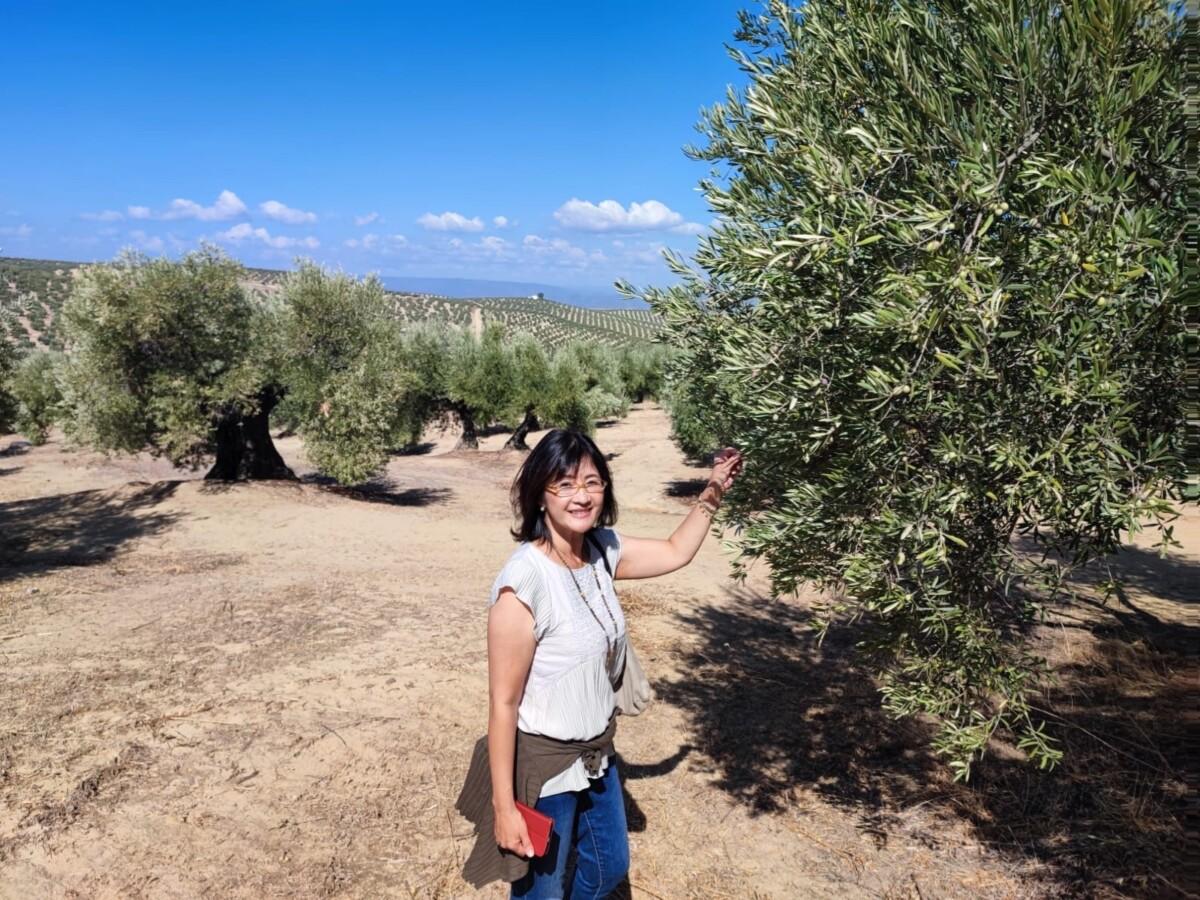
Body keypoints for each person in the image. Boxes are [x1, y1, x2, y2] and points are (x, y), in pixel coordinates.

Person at [455, 428, 743, 898]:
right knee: (541, 892)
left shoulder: (602, 551)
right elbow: (503, 705)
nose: (582, 496)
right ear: (540, 494)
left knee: (609, 868)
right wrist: (504, 807)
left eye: (592, 482)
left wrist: (714, 487)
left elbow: (676, 551)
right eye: (565, 484)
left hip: (597, 756)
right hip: (545, 769)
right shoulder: (523, 583)